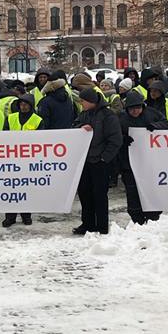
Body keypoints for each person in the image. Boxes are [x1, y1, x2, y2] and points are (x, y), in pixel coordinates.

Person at [73, 88, 123, 234]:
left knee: (100, 195)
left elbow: (115, 139)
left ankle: (101, 226)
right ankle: (87, 224)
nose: (81, 103)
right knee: (84, 193)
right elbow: (73, 127)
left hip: (100, 162)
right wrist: (81, 127)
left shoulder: (108, 116)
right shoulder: (83, 114)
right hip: (85, 161)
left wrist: (104, 158)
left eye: (83, 101)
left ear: (90, 101)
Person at [118, 93, 166, 224]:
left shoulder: (152, 114)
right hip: (129, 163)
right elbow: (114, 134)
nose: (135, 111)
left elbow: (165, 124)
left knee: (150, 190)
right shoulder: (121, 118)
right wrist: (122, 139)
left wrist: (156, 126)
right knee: (133, 192)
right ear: (127, 109)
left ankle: (153, 217)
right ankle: (137, 218)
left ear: (142, 107)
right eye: (131, 109)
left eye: (137, 108)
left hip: (149, 162)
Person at [3, 94, 42, 228]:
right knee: (11, 188)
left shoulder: (38, 120)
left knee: (26, 188)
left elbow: (42, 140)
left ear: (31, 105)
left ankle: (26, 216)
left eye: (26, 104)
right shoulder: (10, 118)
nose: (23, 106)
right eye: (21, 104)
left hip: (29, 160)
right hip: (11, 159)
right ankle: (10, 217)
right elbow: (3, 136)